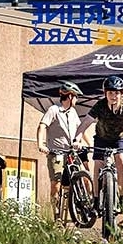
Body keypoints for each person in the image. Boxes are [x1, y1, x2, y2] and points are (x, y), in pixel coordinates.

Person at [74, 75, 123, 203]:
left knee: (122, 161)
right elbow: (85, 122)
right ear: (105, 93)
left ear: (122, 94)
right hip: (102, 138)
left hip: (121, 138)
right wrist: (76, 139)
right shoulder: (100, 105)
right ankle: (96, 199)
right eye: (110, 93)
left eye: (117, 93)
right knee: (98, 165)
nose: (113, 96)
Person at [37, 80, 86, 214]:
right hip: (56, 153)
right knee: (56, 184)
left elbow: (80, 129)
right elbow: (42, 126)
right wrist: (41, 144)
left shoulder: (73, 112)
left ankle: (84, 205)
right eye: (76, 96)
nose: (77, 99)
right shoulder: (54, 110)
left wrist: (84, 143)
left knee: (85, 176)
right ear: (70, 96)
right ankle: (56, 214)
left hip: (71, 154)